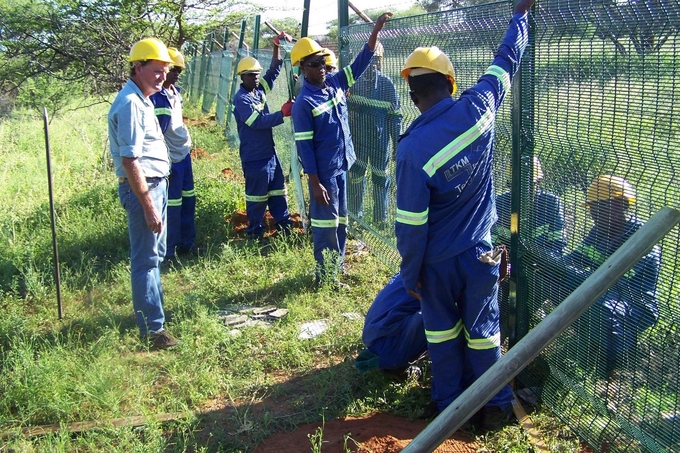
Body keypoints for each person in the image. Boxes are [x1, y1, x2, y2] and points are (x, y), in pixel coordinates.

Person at [394, 0, 535, 430]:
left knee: (441, 335)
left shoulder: (412, 149)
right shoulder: (480, 108)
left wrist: (411, 274)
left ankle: (448, 413)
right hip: (479, 253)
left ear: (414, 96)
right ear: (452, 84)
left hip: (434, 263)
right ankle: (495, 404)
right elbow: (505, 61)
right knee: (484, 330)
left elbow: (411, 226)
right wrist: (520, 16)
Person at [291, 13, 392, 286]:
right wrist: (314, 182)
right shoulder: (304, 104)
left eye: (322, 61)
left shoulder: (335, 85)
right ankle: (325, 278)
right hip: (323, 175)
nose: (321, 67)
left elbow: (360, 64)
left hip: (341, 167)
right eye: (314, 64)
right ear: (302, 68)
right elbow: (305, 147)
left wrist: (375, 32)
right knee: (326, 226)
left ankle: (337, 267)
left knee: (342, 221)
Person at [108, 38, 178, 349]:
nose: (162, 76)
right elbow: (130, 159)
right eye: (157, 70)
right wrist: (148, 206)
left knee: (155, 256)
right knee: (146, 259)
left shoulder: (144, 98)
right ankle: (153, 330)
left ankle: (154, 314)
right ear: (137, 67)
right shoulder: (131, 103)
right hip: (144, 190)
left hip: (155, 186)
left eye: (165, 71)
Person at [556, 175, 660, 379]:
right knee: (553, 281)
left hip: (634, 304)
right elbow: (572, 260)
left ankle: (609, 365)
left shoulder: (642, 238)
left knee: (600, 306)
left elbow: (613, 282)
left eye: (599, 208)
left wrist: (574, 276)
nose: (593, 215)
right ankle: (589, 347)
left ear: (620, 205)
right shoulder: (599, 232)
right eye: (592, 209)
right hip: (601, 294)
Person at [231, 32, 294, 241]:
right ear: (242, 76)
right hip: (254, 157)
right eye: (251, 74)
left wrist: (276, 45)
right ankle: (255, 232)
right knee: (257, 197)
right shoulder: (241, 99)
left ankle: (285, 227)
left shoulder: (259, 91)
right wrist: (282, 113)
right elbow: (257, 122)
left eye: (257, 73)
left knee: (278, 192)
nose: (256, 77)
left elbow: (274, 70)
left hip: (269, 154)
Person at [150, 47, 197, 261]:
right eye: (173, 69)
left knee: (188, 201)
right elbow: (159, 133)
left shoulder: (175, 93)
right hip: (171, 161)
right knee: (172, 206)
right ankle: (169, 250)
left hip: (184, 155)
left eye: (179, 70)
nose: (176, 73)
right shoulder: (158, 98)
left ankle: (188, 244)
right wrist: (164, 162)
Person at [347, 42, 402, 227]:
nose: (372, 65)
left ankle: (380, 219)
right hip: (357, 142)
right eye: (368, 60)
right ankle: (355, 216)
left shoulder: (387, 85)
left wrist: (396, 145)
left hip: (379, 144)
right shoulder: (352, 83)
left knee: (380, 179)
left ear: (381, 62)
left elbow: (395, 117)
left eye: (376, 60)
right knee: (356, 177)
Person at [492, 156, 566, 256]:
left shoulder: (551, 203)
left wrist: (541, 261)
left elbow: (557, 245)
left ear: (538, 183)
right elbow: (492, 241)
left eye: (528, 186)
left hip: (541, 263)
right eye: (516, 185)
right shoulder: (499, 203)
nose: (522, 191)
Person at [356, 273, 427, 374]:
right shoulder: (439, 270)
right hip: (389, 343)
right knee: (441, 313)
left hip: (375, 333)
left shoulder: (413, 266)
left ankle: (394, 360)